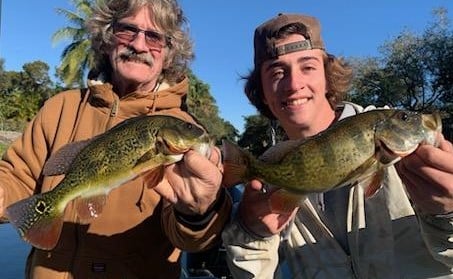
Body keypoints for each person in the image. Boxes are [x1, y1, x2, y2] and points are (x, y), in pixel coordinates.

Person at [0, 0, 231, 278]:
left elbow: (194, 240)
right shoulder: (60, 107)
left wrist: (197, 212)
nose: (139, 45)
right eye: (127, 30)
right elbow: (16, 177)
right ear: (109, 37)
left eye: (154, 37)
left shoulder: (186, 133)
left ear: (169, 52)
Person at [222, 13, 453, 278]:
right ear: (261, 90)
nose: (294, 84)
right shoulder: (266, 184)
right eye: (276, 72)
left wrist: (447, 213)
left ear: (328, 77)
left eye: (307, 67)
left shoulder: (414, 153)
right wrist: (252, 235)